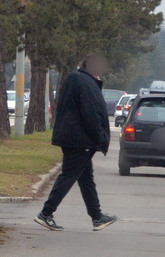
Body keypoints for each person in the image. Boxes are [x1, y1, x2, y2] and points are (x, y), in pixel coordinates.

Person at [36, 53, 116, 231]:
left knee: (86, 179)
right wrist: (99, 138)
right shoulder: (85, 83)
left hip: (75, 137)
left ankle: (97, 217)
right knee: (69, 175)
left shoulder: (79, 79)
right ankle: (46, 213)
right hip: (80, 140)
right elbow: (91, 114)